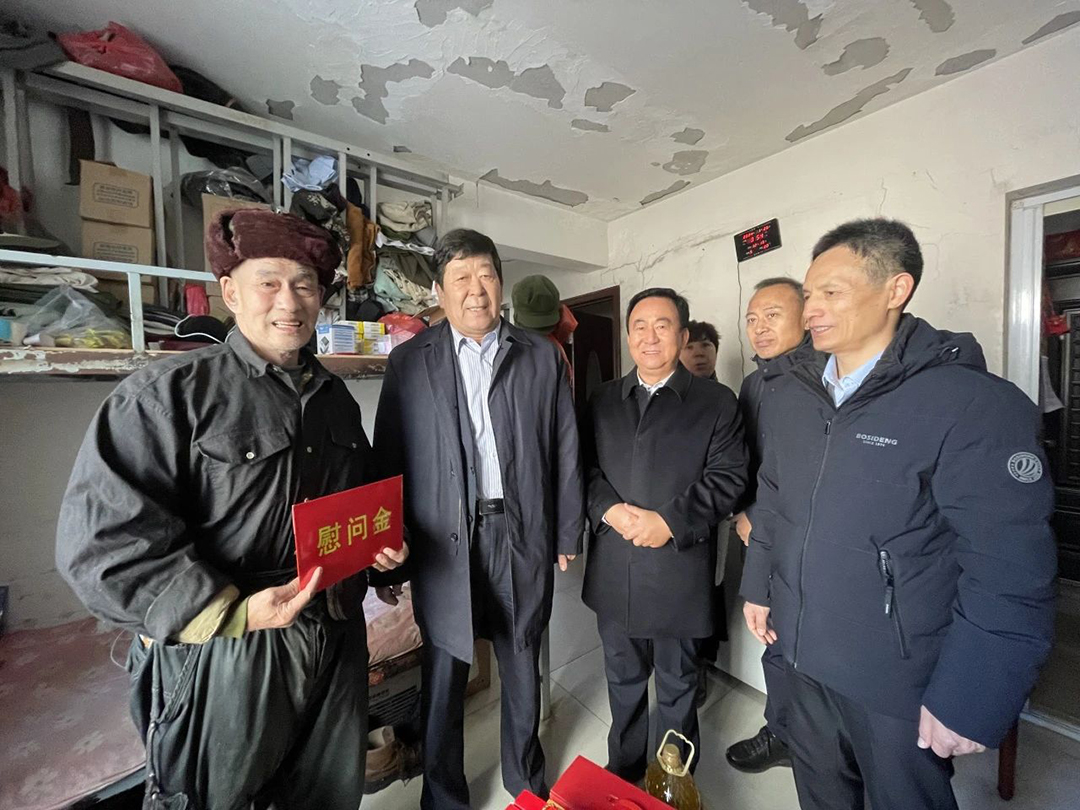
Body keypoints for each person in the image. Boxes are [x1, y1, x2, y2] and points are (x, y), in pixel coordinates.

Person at [55, 208, 408, 809]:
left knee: (326, 796)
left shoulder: (335, 400)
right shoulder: (167, 396)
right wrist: (235, 613)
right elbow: (102, 547)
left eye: (305, 285)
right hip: (229, 647)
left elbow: (364, 501)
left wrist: (385, 549)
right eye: (269, 282)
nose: (288, 302)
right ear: (230, 292)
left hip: (333, 633)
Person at [739, 218, 1057, 810]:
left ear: (896, 289)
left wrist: (971, 694)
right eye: (809, 294)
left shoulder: (970, 405)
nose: (813, 309)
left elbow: (1009, 566)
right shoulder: (792, 395)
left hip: (894, 676)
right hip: (800, 654)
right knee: (821, 795)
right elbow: (774, 498)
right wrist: (758, 586)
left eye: (831, 292)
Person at [373, 228, 584, 809]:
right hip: (442, 540)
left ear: (501, 283)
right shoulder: (410, 362)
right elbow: (388, 459)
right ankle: (444, 796)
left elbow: (566, 446)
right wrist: (386, 554)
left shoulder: (541, 355)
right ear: (439, 293)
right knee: (444, 669)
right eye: (460, 278)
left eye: (486, 275)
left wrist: (567, 528)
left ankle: (526, 783)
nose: (476, 290)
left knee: (521, 657)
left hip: (520, 530)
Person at [582, 287, 748, 783]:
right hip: (615, 567)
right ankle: (624, 768)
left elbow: (729, 478)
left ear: (682, 334)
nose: (649, 337)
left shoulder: (716, 402)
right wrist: (609, 510)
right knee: (623, 679)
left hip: (679, 569)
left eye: (662, 325)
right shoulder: (603, 399)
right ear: (628, 335)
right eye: (639, 326)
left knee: (678, 683)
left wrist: (668, 522)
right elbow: (583, 468)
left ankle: (672, 782)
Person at [725, 277, 811, 773]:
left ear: (805, 316)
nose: (759, 328)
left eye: (773, 316)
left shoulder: (824, 378)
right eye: (752, 319)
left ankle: (816, 742)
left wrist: (760, 517)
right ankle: (781, 732)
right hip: (757, 536)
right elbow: (744, 459)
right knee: (773, 638)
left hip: (803, 539)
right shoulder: (754, 383)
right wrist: (742, 512)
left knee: (807, 644)